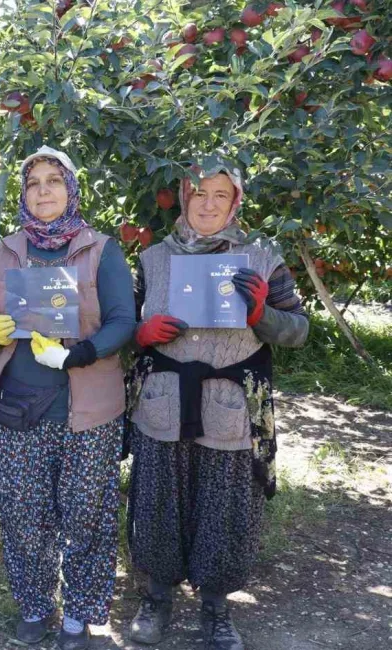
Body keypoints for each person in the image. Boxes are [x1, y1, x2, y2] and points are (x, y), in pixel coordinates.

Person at [124, 164, 308, 650]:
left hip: (230, 406)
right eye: (199, 193)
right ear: (183, 197)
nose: (208, 204)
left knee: (224, 504)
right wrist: (139, 336)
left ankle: (216, 607)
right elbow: (123, 323)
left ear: (236, 202)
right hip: (164, 402)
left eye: (220, 195)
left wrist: (261, 314)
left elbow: (298, 330)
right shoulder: (152, 258)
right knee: (160, 498)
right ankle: (157, 597)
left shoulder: (263, 260)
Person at [0, 146, 136, 649]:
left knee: (86, 513)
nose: (43, 191)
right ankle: (34, 604)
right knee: (24, 514)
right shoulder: (6, 250)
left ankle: (80, 614)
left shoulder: (101, 249)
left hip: (87, 408)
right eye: (33, 183)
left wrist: (79, 355)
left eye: (54, 181)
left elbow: (123, 321)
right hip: (19, 404)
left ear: (71, 188)